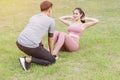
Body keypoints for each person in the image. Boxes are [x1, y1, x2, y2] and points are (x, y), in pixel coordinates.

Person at [16, 0, 56, 71]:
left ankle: (30, 57)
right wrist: (51, 54)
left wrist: (42, 46)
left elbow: (35, 31)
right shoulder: (51, 21)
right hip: (29, 45)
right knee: (52, 60)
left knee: (41, 51)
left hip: (19, 42)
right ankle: (27, 60)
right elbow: (50, 39)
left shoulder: (33, 17)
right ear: (49, 10)